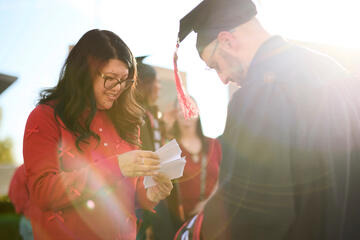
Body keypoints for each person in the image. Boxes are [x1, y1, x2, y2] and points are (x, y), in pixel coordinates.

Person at [174, 0, 360, 239]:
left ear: (227, 41)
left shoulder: (258, 96)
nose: (223, 78)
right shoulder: (342, 77)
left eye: (215, 65)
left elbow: (256, 217)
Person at [21, 29, 173, 240]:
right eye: (110, 78)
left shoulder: (128, 122)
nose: (118, 88)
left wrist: (150, 193)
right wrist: (116, 166)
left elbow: (128, 195)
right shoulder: (45, 117)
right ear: (83, 73)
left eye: (125, 80)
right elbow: (42, 191)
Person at [149, 100, 222, 240]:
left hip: (213, 219)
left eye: (189, 106)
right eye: (180, 109)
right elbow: (158, 177)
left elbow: (223, 178)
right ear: (175, 114)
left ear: (198, 112)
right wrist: (166, 126)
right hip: (180, 223)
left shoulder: (214, 144)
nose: (185, 112)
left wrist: (207, 205)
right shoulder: (170, 146)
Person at [134, 56, 166, 240]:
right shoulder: (136, 114)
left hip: (154, 188)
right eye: (157, 82)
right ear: (146, 84)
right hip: (141, 191)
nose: (160, 87)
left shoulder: (150, 113)